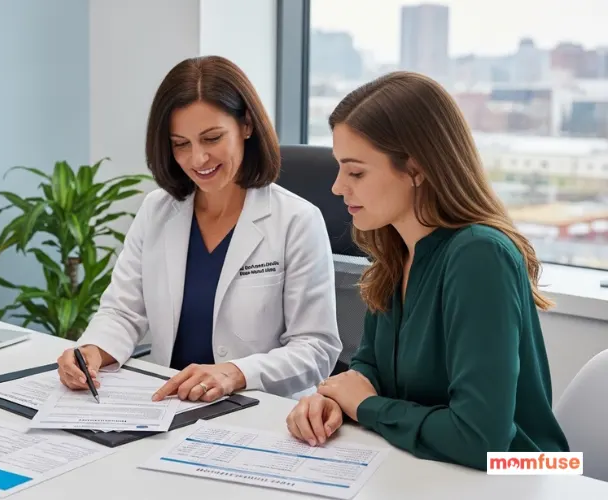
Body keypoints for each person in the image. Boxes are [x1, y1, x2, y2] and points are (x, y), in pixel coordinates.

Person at [285, 71, 569, 471]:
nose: (336, 187)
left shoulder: (479, 256)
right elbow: (369, 368)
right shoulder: (396, 248)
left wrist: (365, 406)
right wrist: (330, 400)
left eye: (356, 172)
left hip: (522, 477)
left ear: (416, 168)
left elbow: (480, 439)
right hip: (428, 468)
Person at [57, 55, 341, 401]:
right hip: (170, 408)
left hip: (262, 410)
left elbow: (316, 348)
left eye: (211, 138)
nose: (197, 159)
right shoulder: (156, 211)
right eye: (181, 144)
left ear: (246, 125)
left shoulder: (297, 220)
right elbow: (123, 310)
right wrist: (93, 351)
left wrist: (235, 373)